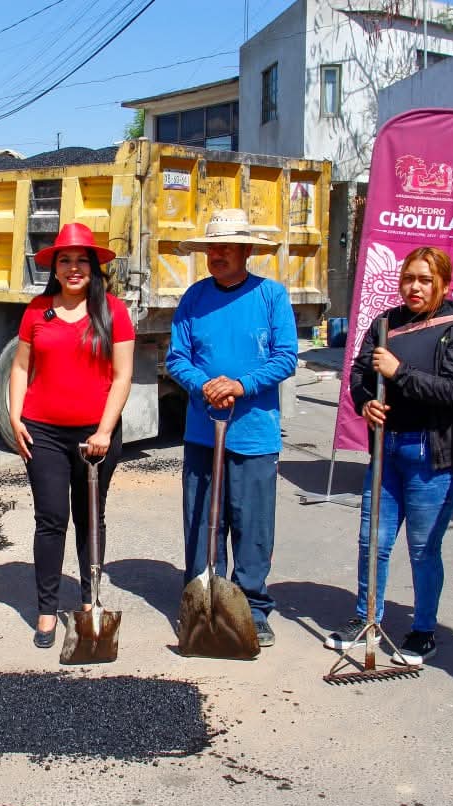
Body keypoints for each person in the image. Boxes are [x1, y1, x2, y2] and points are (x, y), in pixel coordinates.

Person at [325, 247, 453, 665]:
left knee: (422, 548)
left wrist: (398, 373)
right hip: (387, 447)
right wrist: (364, 403)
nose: (415, 287)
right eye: (409, 278)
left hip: (432, 453)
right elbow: (359, 372)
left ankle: (423, 630)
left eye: (425, 280)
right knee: (371, 541)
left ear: (444, 285)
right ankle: (366, 617)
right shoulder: (385, 323)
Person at [166, 209, 297, 648]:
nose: (217, 255)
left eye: (226, 248)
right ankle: (203, 599)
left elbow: (285, 357)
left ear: (245, 251)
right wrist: (204, 385)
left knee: (252, 525)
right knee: (202, 520)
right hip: (203, 432)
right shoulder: (194, 299)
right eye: (212, 248)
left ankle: (253, 608)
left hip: (255, 432)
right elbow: (176, 358)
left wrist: (241, 385)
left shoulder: (271, 296)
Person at [8, 223, 135, 648]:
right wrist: (14, 415)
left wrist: (104, 429)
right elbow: (21, 368)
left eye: (82, 260)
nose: (74, 268)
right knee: (50, 520)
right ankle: (46, 610)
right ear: (55, 268)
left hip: (95, 437)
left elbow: (122, 376)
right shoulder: (37, 310)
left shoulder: (112, 310)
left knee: (89, 519)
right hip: (42, 431)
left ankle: (88, 601)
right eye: (65, 260)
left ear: (94, 267)